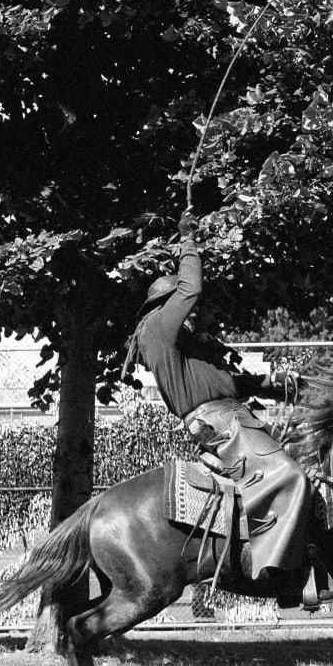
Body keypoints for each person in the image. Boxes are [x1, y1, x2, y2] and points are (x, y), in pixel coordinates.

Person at [131, 212, 313, 595]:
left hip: (232, 417)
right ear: (165, 305)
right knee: (290, 476)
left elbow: (227, 384)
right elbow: (190, 289)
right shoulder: (157, 329)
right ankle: (275, 571)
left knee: (309, 464)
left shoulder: (188, 349)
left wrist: (274, 385)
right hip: (222, 424)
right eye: (185, 310)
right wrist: (188, 239)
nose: (193, 315)